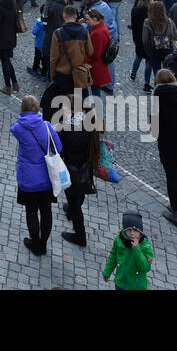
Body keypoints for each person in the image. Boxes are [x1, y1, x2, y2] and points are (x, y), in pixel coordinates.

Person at [11, 95, 63, 256]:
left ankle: (35, 243)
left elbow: (12, 128)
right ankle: (43, 243)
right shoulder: (47, 126)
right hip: (47, 178)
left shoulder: (19, 128)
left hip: (28, 179)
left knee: (31, 211)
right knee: (46, 211)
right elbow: (58, 148)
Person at [55, 93, 99, 248]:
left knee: (74, 202)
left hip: (73, 169)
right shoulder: (88, 121)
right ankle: (72, 210)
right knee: (78, 195)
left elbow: (60, 144)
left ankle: (80, 235)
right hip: (85, 167)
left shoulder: (72, 128)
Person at [153, 68, 177, 226]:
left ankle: (175, 210)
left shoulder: (158, 96)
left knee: (171, 176)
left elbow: (155, 125)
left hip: (168, 142)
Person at [101, 211, 154, 291]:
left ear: (140, 230)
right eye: (129, 229)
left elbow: (145, 268)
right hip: (120, 283)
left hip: (137, 286)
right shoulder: (119, 239)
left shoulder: (145, 246)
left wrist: (136, 249)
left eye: (135, 230)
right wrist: (107, 272)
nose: (132, 233)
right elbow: (113, 256)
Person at [140, 0, 177, 94]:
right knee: (167, 70)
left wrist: (148, 51)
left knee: (157, 72)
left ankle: (157, 91)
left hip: (154, 50)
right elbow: (175, 36)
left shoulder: (147, 22)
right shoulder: (169, 21)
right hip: (167, 49)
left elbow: (145, 40)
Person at [129, 0, 155, 90]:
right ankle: (146, 83)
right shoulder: (151, 13)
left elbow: (134, 26)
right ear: (149, 1)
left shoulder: (135, 10)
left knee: (138, 56)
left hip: (139, 38)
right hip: (149, 39)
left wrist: (134, 38)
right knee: (149, 61)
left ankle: (133, 73)